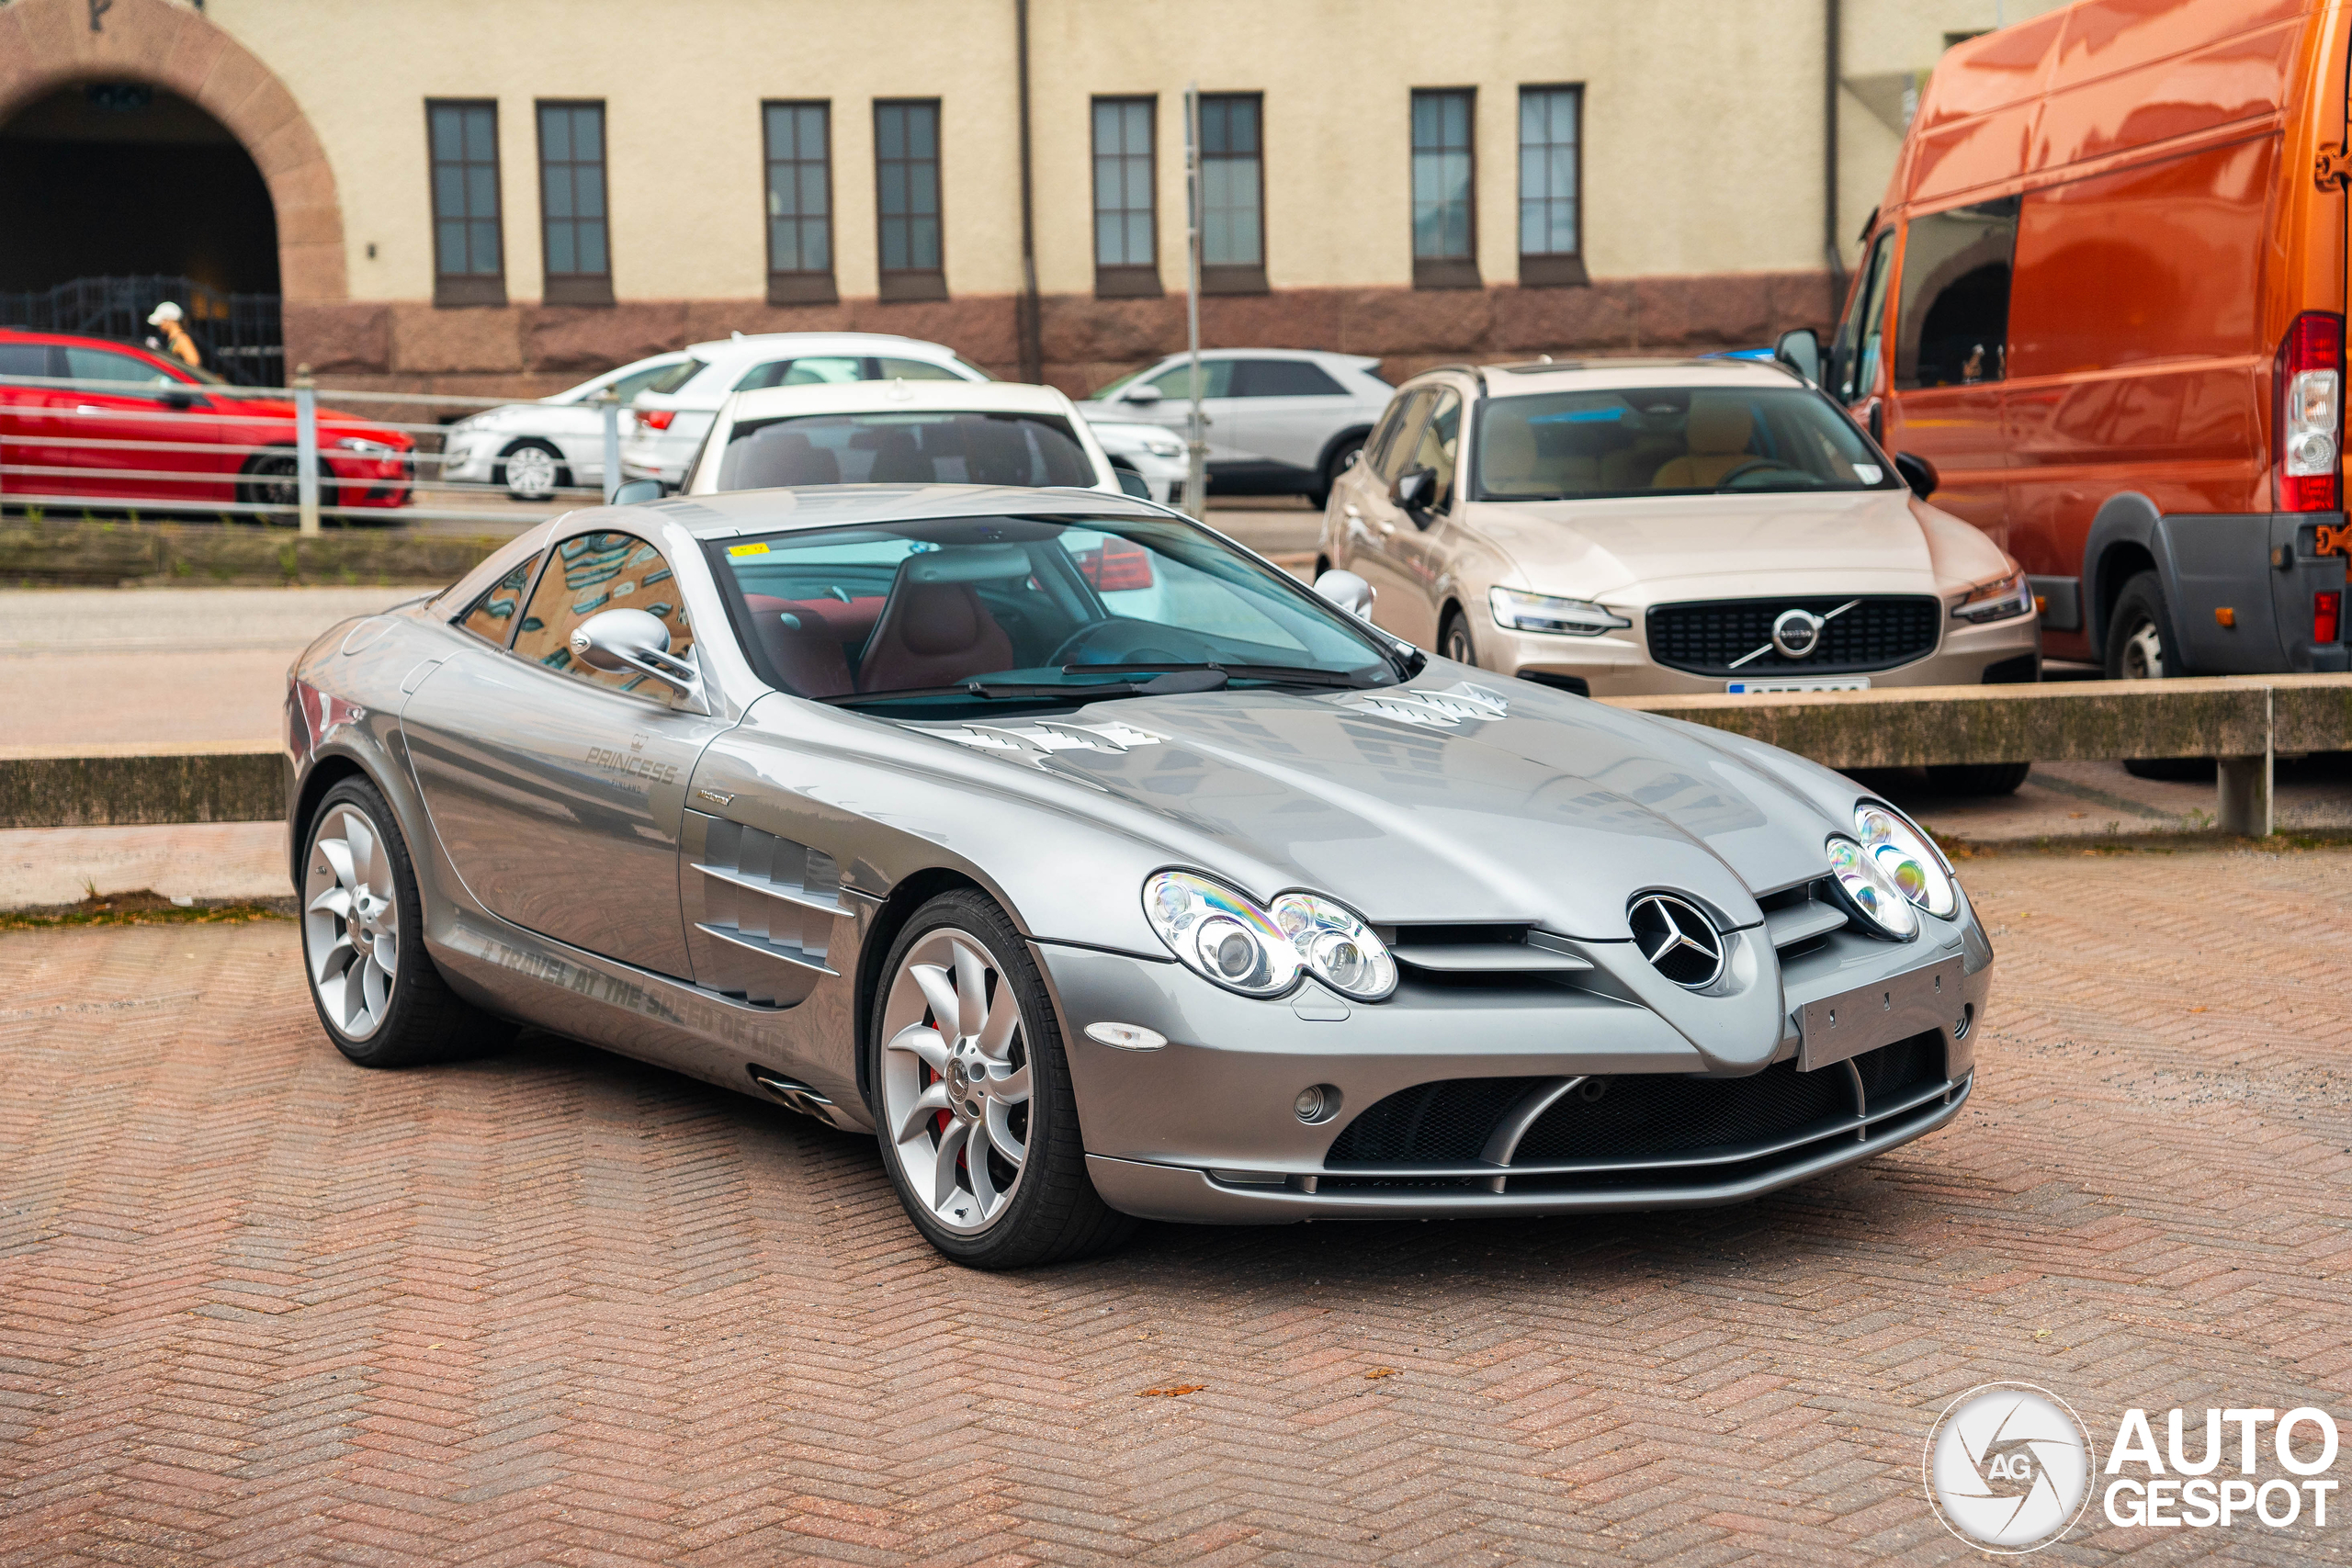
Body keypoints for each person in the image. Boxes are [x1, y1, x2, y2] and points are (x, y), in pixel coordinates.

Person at [145, 301, 201, 369]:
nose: (159, 326)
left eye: (161, 322)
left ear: (169, 320)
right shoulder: (174, 338)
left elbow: (194, 363)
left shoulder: (182, 339)